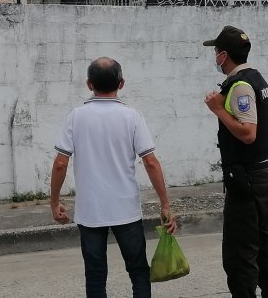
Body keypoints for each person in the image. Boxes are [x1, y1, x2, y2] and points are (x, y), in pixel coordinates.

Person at [50, 57, 179, 298]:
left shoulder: (75, 117)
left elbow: (60, 163)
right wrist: (164, 204)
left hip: (90, 211)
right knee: (138, 271)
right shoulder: (132, 117)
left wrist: (55, 202)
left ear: (89, 84)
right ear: (121, 83)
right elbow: (150, 162)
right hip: (125, 208)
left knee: (95, 275)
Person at [202, 25, 268, 298]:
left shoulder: (239, 86)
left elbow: (248, 134)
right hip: (262, 174)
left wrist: (218, 109)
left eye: (216, 52)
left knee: (240, 254)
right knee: (263, 246)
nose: (215, 57)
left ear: (224, 55)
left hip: (246, 179)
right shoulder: (259, 80)